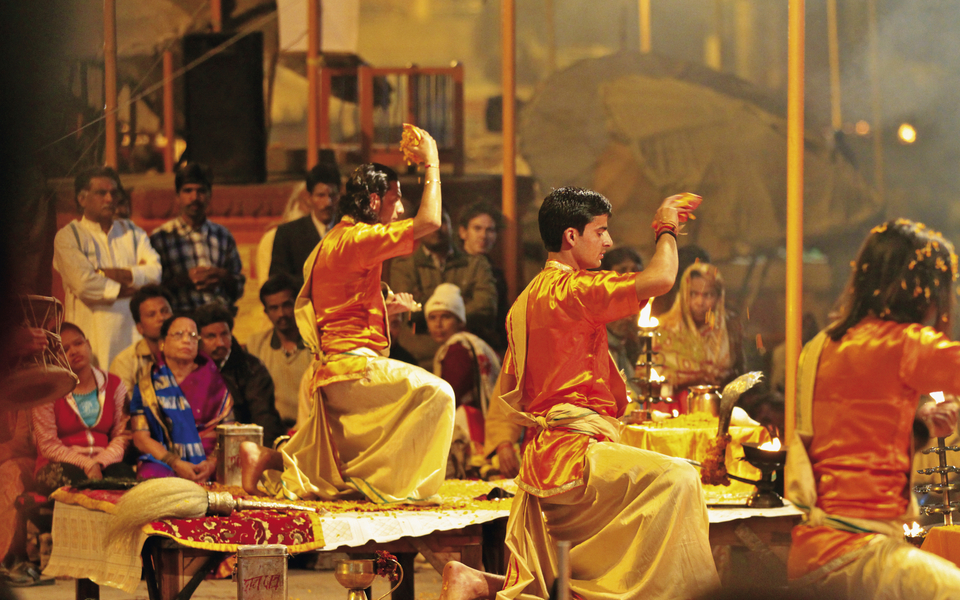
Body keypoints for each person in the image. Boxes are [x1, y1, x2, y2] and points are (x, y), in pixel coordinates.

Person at [440, 187, 718, 600]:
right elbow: (661, 279)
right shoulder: (572, 290)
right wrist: (665, 228)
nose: (608, 242)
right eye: (601, 231)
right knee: (681, 479)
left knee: (581, 570)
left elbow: (511, 390)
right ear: (572, 237)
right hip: (573, 460)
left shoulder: (523, 301)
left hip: (543, 462)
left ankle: (477, 581)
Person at [239, 125, 455, 505]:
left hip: (335, 370)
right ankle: (404, 490)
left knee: (342, 451)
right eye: (396, 199)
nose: (400, 208)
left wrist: (383, 307)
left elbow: (337, 307)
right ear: (374, 201)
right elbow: (430, 223)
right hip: (351, 369)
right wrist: (432, 161)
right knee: (438, 394)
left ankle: (268, 458)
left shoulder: (332, 242)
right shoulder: (356, 240)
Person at [786, 219, 960, 598]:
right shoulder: (906, 343)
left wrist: (919, 427)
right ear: (920, 291)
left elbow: (850, 434)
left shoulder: (821, 345)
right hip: (861, 554)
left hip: (810, 552)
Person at [53, 166, 162, 368]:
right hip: (92, 339)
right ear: (82, 199)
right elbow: (85, 285)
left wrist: (110, 273)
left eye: (113, 193)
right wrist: (135, 285)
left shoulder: (132, 232)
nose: (110, 199)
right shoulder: (69, 237)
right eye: (101, 193)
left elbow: (155, 273)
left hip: (133, 336)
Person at [31, 323, 133, 495]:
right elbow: (47, 445)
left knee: (128, 485)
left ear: (88, 344)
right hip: (60, 465)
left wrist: (99, 463)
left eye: (78, 343)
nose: (73, 351)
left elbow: (122, 436)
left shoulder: (115, 384)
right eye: (63, 349)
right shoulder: (46, 390)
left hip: (105, 463)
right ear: (54, 357)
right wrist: (87, 465)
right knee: (76, 487)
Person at [388, 209, 498, 367]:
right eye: (429, 223)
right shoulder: (403, 266)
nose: (437, 228)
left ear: (452, 226)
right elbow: (410, 313)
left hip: (465, 356)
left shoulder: (475, 264)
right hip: (419, 359)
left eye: (442, 222)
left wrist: (428, 306)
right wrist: (458, 307)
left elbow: (485, 308)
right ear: (417, 227)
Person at [130, 315, 234, 481]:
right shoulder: (147, 385)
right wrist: (176, 463)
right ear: (162, 343)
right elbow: (141, 437)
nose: (187, 340)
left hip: (209, 460)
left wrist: (211, 464)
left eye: (193, 336)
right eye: (179, 334)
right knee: (151, 475)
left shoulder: (214, 381)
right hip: (165, 459)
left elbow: (229, 431)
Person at [149, 162, 245, 314]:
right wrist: (184, 280)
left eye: (201, 191)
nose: (195, 197)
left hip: (218, 319)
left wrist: (221, 276)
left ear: (209, 195)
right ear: (177, 197)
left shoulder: (222, 236)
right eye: (188, 191)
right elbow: (152, 290)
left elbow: (238, 288)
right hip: (180, 319)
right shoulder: (161, 238)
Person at [426, 283, 501, 474]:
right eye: (432, 318)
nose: (438, 324)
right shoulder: (472, 344)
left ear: (460, 321)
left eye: (446, 316)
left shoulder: (457, 349)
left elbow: (451, 395)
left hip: (468, 429)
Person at [193, 302, 285, 448]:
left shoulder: (251, 368)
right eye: (211, 336)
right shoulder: (190, 367)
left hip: (243, 447)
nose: (220, 343)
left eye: (224, 334)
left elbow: (264, 418)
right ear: (198, 339)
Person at [653, 262, 744, 409]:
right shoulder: (664, 329)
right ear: (683, 294)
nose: (699, 302)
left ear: (719, 297)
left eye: (708, 295)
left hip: (718, 407)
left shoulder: (729, 328)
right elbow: (646, 376)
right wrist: (696, 377)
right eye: (693, 294)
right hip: (672, 409)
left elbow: (739, 374)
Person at [247, 274, 313, 429]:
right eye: (274, 308)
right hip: (271, 431)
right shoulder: (256, 345)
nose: (281, 314)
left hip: (310, 429)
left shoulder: (315, 343)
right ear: (266, 311)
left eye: (287, 305)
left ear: (297, 305)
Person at [270, 162, 341, 284]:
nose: (328, 202)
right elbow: (278, 280)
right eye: (320, 196)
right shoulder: (288, 234)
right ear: (309, 197)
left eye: (332, 195)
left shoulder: (352, 231)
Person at [109, 284, 174, 402]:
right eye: (152, 314)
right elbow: (125, 409)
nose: (161, 318)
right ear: (139, 328)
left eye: (165, 311)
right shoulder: (124, 363)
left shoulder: (191, 351)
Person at [457, 202, 508, 352]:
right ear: (463, 232)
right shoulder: (453, 267)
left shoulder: (496, 273)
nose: (483, 235)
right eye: (477, 228)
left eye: (490, 230)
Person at [599, 247, 645, 397]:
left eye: (634, 269)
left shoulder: (638, 311)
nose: (630, 275)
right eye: (623, 270)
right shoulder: (598, 306)